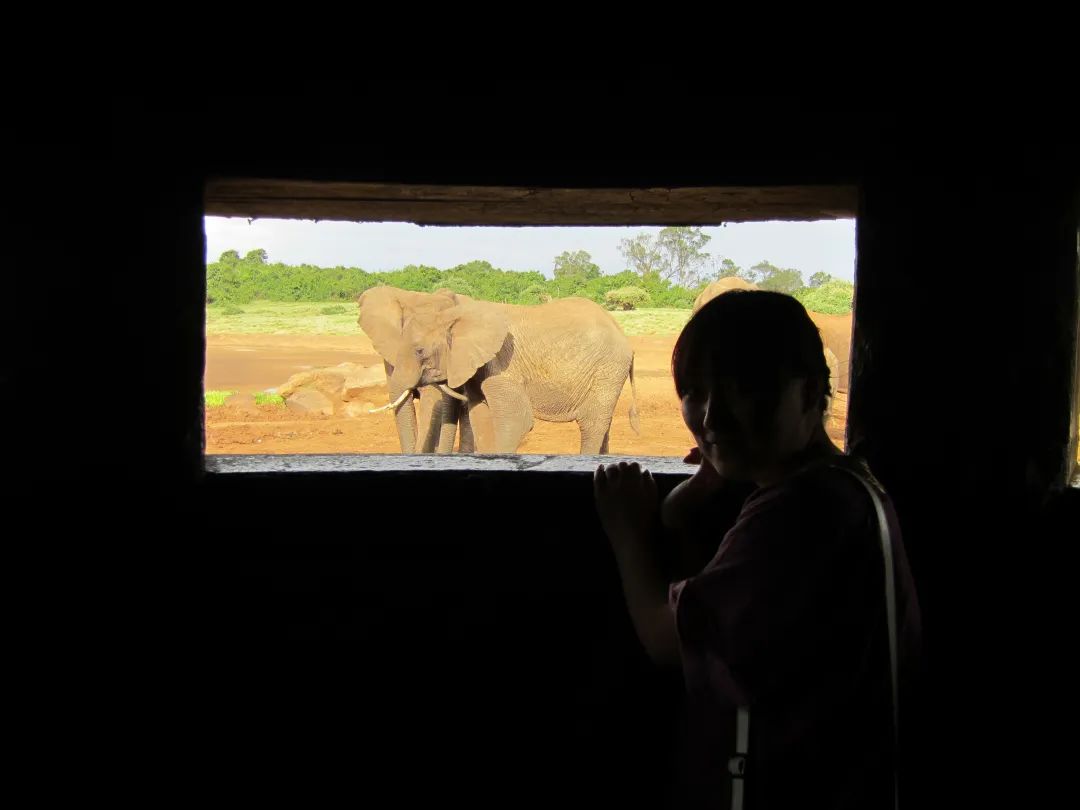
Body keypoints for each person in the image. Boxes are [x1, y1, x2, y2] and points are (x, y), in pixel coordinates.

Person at [594, 291, 922, 809]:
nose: (712, 416)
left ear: (811, 391)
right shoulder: (849, 486)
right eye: (695, 391)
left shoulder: (801, 512)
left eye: (744, 390)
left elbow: (664, 640)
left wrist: (626, 532)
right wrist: (701, 485)